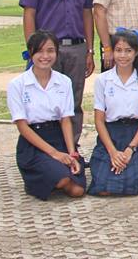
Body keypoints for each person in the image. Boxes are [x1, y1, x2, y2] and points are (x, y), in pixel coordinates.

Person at [19, 0, 95, 144]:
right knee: (43, 98)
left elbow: (87, 14)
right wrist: (32, 48)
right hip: (47, 50)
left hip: (77, 48)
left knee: (73, 100)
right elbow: (29, 13)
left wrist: (89, 50)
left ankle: (71, 148)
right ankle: (44, 147)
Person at [8, 30, 86, 200]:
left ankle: (53, 177)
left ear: (57, 53)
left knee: (78, 190)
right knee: (62, 179)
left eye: (50, 51)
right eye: (39, 51)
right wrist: (55, 154)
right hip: (33, 142)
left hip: (59, 137)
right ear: (31, 53)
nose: (45, 56)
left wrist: (71, 153)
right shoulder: (17, 85)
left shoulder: (64, 81)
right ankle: (36, 181)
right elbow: (23, 127)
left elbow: (66, 120)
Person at [87, 30, 138, 196]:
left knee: (130, 185)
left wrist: (130, 149)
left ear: (136, 52)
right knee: (103, 186)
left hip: (136, 135)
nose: (123, 55)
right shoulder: (102, 80)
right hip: (111, 135)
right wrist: (113, 152)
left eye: (128, 50)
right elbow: (99, 120)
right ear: (112, 52)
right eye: (118, 50)